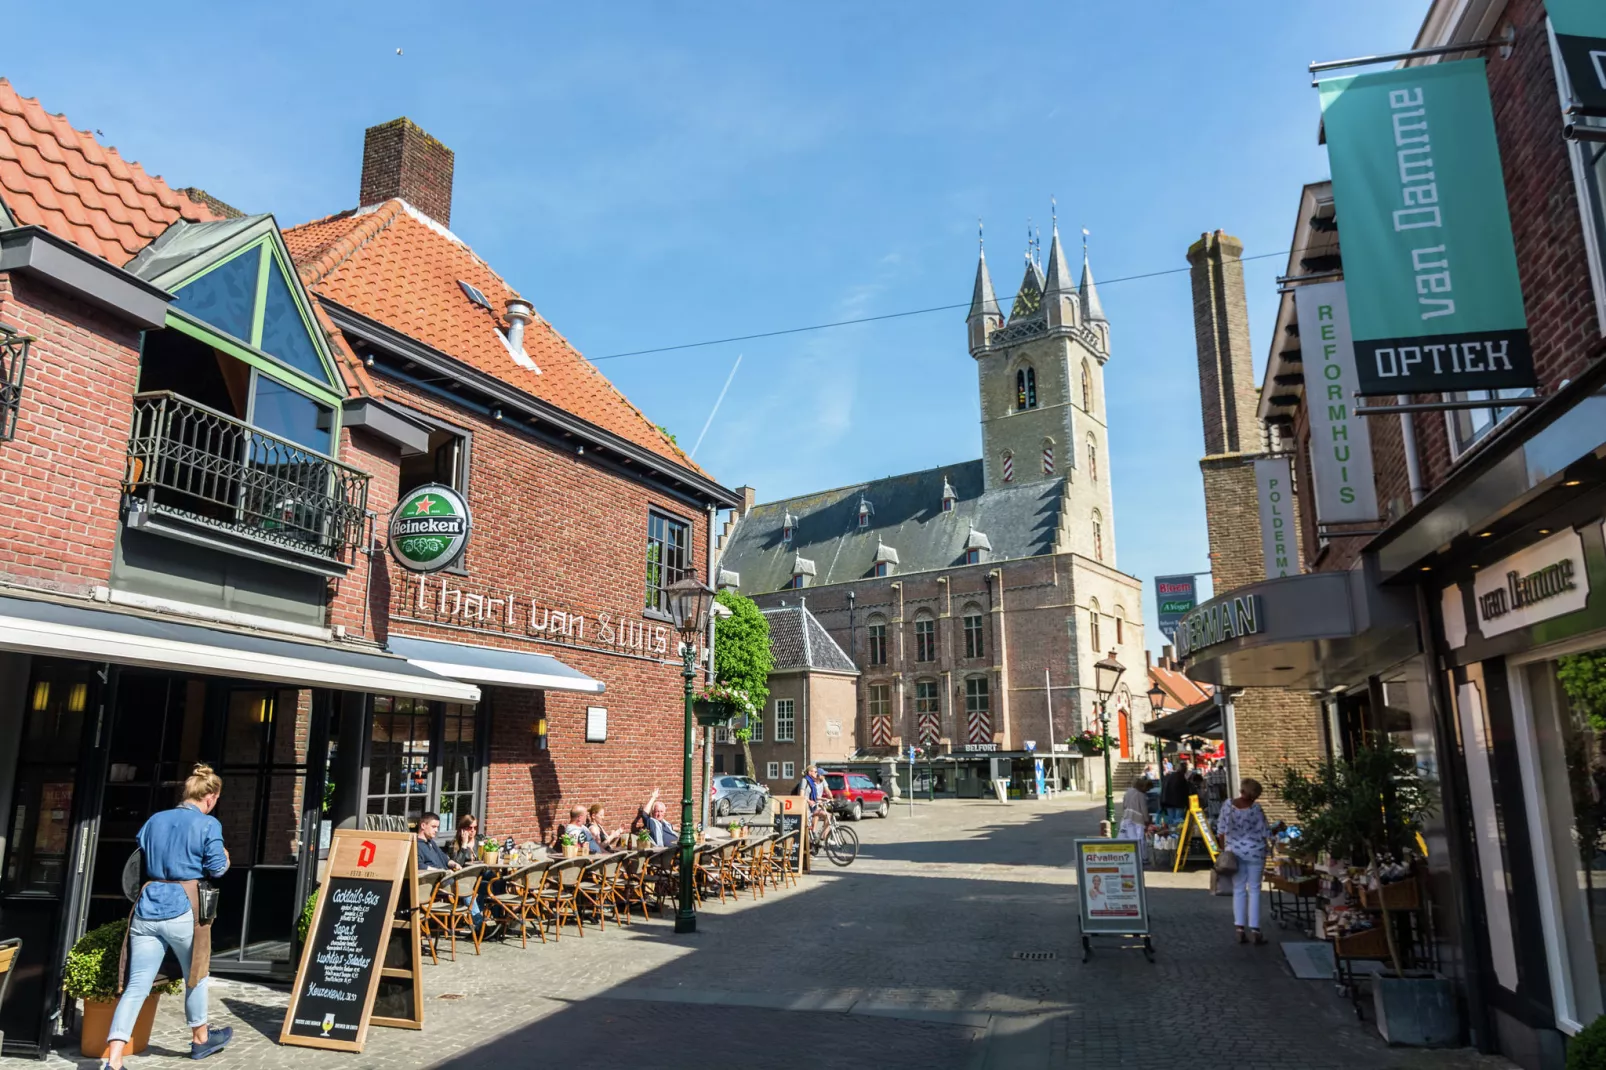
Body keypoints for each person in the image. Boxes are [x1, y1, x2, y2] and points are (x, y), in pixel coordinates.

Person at [102, 763, 232, 1070]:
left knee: (136, 986)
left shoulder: (155, 820)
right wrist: (225, 856)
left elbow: (141, 856)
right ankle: (200, 1040)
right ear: (210, 797)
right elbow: (217, 869)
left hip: (147, 906)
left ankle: (114, 1059)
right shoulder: (208, 824)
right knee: (196, 976)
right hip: (185, 908)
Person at [1217, 778, 1273, 945]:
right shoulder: (1256, 809)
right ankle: (1255, 929)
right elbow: (1265, 832)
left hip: (1235, 853)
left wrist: (1223, 849)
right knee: (1255, 890)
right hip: (1256, 852)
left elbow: (1221, 830)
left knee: (1239, 889)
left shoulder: (1228, 805)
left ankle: (1239, 928)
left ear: (1241, 790)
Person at [1118, 776, 1151, 863]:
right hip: (1137, 819)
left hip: (1126, 817)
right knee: (1139, 840)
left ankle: (1129, 856)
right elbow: (1144, 809)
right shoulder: (1141, 795)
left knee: (1128, 838)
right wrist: (1147, 820)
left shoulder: (1127, 792)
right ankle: (1142, 858)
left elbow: (1124, 806)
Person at [1158, 758, 1194, 828]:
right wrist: (1187, 804)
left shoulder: (1169, 777)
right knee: (1178, 821)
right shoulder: (1181, 778)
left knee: (1171, 821)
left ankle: (1172, 834)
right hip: (1178, 803)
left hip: (1168, 802)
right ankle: (1177, 835)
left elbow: (1164, 790)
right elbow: (1185, 792)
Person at [801, 765, 833, 840]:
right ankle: (813, 835)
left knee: (828, 815)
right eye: (815, 772)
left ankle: (821, 836)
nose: (816, 773)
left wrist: (824, 798)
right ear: (810, 772)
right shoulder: (805, 780)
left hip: (812, 808)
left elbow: (815, 796)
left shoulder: (812, 782)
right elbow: (801, 795)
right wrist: (809, 801)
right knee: (805, 830)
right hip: (805, 809)